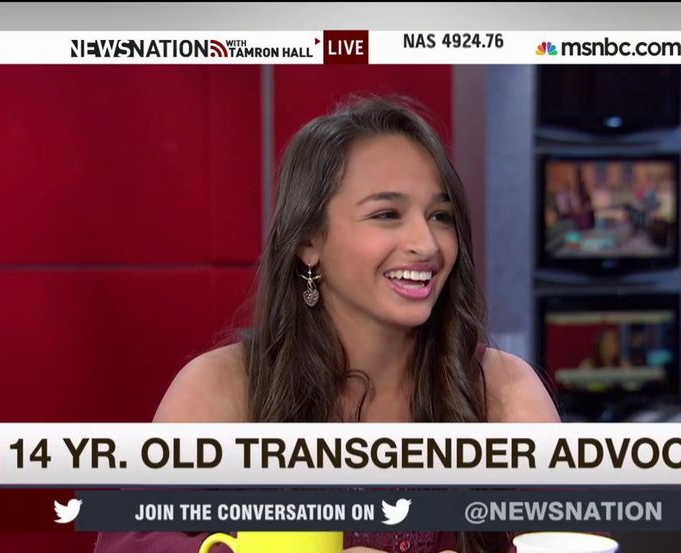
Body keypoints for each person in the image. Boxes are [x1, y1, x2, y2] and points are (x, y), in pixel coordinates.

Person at [94, 96, 559, 553]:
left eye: (441, 216)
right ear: (309, 241)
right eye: (386, 214)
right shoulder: (227, 386)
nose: (427, 244)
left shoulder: (501, 390)